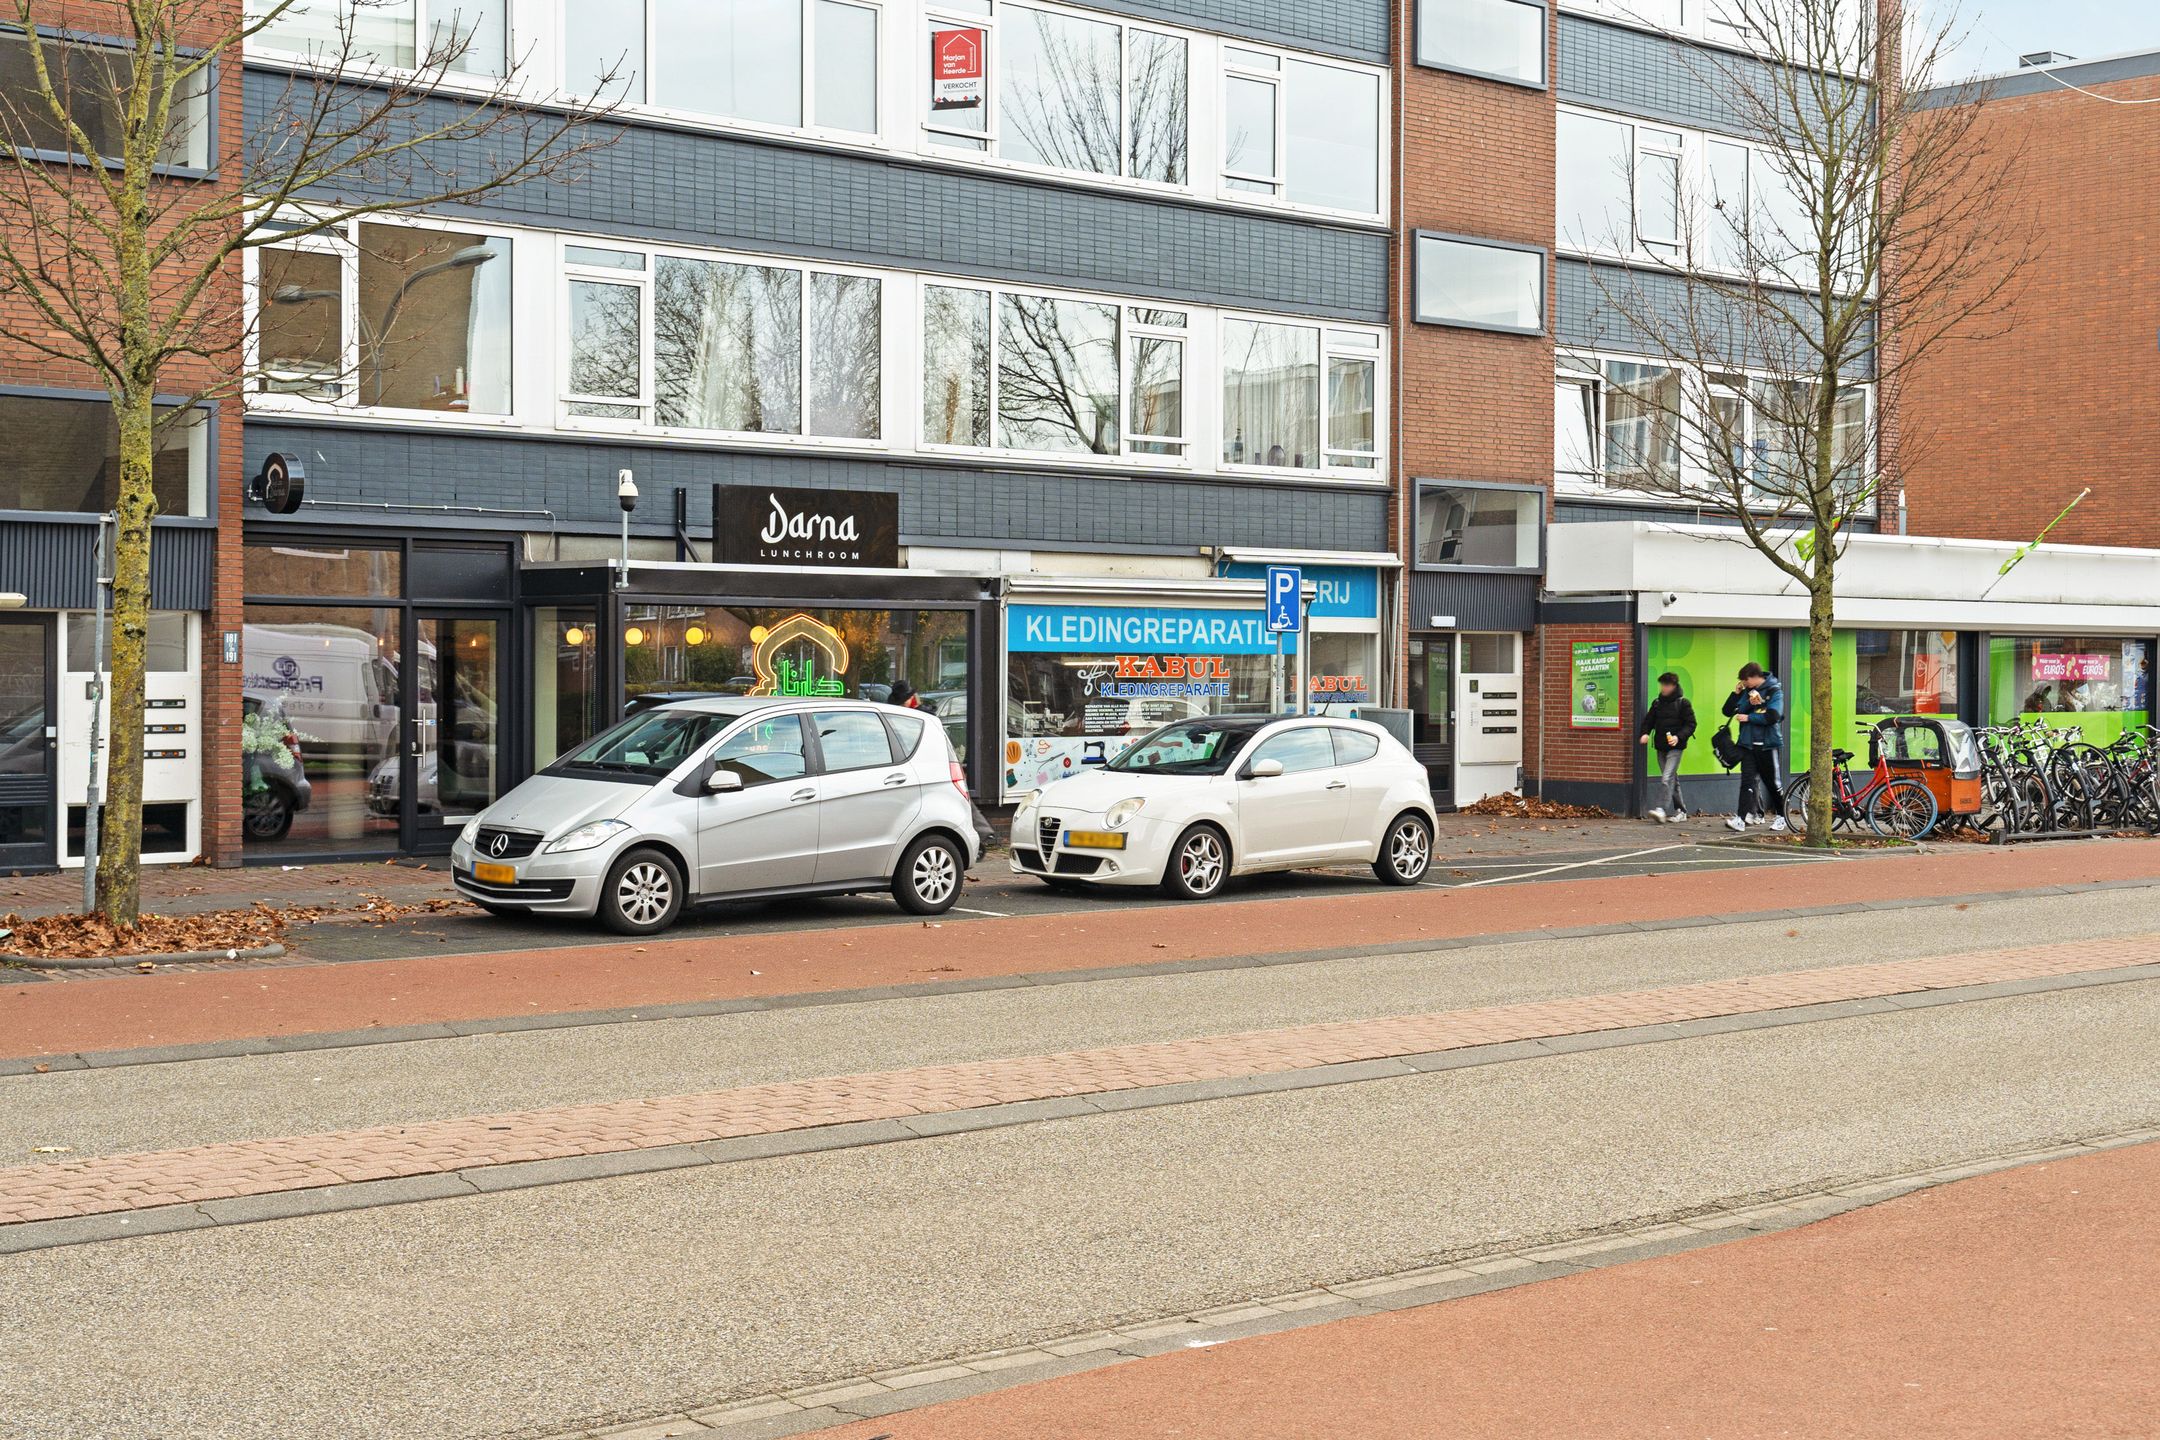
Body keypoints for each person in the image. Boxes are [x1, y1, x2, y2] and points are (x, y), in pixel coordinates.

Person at [1723, 662, 1788, 833]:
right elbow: (1728, 711)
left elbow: (1774, 716)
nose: (1744, 684)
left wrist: (1753, 713)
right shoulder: (1746, 691)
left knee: (1772, 783)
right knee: (1747, 782)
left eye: (1745, 681)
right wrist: (1736, 694)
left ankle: (1781, 817)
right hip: (1748, 745)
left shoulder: (1774, 690)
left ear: (1753, 677)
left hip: (1767, 745)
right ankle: (1740, 819)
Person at [1638, 672, 1697, 823]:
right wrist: (1645, 733)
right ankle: (1681, 811)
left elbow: (1691, 724)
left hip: (1676, 747)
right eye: (1662, 685)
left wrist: (1678, 737)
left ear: (1674, 686)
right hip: (1661, 746)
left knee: (1667, 778)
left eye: (1667, 685)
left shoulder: (1683, 703)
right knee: (1672, 779)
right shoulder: (1657, 703)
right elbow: (1649, 721)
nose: (1663, 688)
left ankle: (1660, 809)